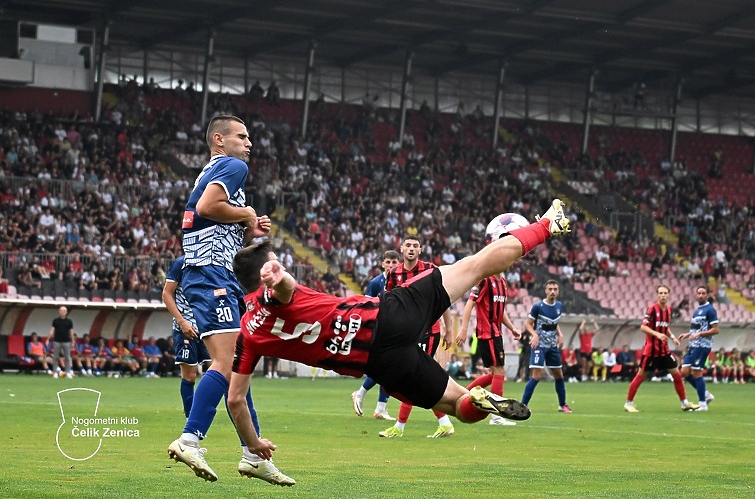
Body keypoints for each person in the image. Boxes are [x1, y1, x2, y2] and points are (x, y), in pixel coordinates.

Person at [226, 200, 571, 468]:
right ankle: (546, 225)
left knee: (456, 406)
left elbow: (236, 400)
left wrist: (253, 442)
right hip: (387, 317)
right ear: (265, 273)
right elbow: (282, 292)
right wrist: (280, 277)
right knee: (475, 265)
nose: (282, 267)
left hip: (380, 364)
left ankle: (478, 400)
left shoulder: (248, 334)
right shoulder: (273, 291)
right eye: (276, 262)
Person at [167, 114, 275, 484]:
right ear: (219, 139)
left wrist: (248, 229)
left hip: (211, 273)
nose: (248, 144)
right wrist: (247, 213)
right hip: (212, 275)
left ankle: (253, 453)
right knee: (228, 364)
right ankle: (190, 439)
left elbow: (211, 222)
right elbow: (208, 208)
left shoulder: (212, 171)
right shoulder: (232, 166)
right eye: (241, 136)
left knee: (235, 369)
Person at [378, 236, 455, 439]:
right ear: (402, 249)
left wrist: (449, 329)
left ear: (420, 250)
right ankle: (444, 423)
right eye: (408, 245)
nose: (411, 249)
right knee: (416, 378)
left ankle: (400, 427)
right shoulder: (394, 273)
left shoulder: (430, 270)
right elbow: (389, 303)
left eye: (415, 246)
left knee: (411, 376)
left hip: (429, 331)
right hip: (406, 333)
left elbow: (443, 299)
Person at [456, 266, 521, 426]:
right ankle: (497, 416)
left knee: (494, 374)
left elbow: (501, 310)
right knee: (499, 371)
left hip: (496, 333)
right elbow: (469, 304)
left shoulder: (503, 282)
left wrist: (512, 328)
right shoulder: (484, 280)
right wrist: (463, 329)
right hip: (487, 333)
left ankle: (461, 396)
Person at [623, 284, 699, 413]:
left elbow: (664, 327)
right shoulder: (652, 309)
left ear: (669, 295)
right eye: (661, 293)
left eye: (665, 293)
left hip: (664, 350)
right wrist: (657, 334)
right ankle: (628, 403)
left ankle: (684, 403)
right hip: (651, 351)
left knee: (677, 375)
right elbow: (643, 327)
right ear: (657, 295)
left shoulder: (668, 310)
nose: (663, 295)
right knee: (641, 375)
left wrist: (673, 337)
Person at [351, 249, 401, 421]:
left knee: (390, 367)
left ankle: (379, 407)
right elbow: (365, 305)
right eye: (388, 262)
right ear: (383, 264)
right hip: (380, 330)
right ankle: (363, 394)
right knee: (387, 366)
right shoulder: (375, 283)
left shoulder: (401, 282)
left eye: (395, 262)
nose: (391, 265)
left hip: (397, 329)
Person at [162, 255, 211, 417]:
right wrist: (182, 321)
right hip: (185, 328)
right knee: (189, 375)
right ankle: (191, 418)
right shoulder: (181, 263)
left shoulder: (214, 262)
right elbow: (167, 294)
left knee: (216, 371)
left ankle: (203, 411)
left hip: (207, 326)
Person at [521, 280, 573, 413]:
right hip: (539, 345)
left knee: (559, 375)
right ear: (546, 291)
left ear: (558, 291)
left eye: (555, 289)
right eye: (550, 289)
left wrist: (560, 335)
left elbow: (554, 323)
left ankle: (563, 404)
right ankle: (523, 405)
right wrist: (534, 335)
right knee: (537, 375)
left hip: (552, 346)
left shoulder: (559, 306)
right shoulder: (538, 307)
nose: (553, 292)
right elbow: (527, 324)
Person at [678, 285, 719, 412]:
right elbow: (696, 329)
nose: (700, 295)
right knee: (684, 372)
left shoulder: (710, 310)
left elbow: (715, 330)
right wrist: (688, 334)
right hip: (693, 345)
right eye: (699, 293)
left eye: (703, 293)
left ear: (707, 295)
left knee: (696, 372)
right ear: (696, 295)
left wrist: (699, 334)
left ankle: (703, 404)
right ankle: (706, 395)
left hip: (702, 346)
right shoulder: (697, 311)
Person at [49, 306, 75, 379]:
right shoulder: (55, 320)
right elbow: (52, 330)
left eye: (64, 311)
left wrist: (72, 341)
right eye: (61, 311)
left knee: (67, 357)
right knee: (56, 357)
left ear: (66, 312)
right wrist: (48, 338)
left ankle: (68, 372)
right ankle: (55, 373)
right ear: (59, 311)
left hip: (66, 341)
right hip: (57, 341)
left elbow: (71, 331)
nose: (63, 312)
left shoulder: (69, 321)